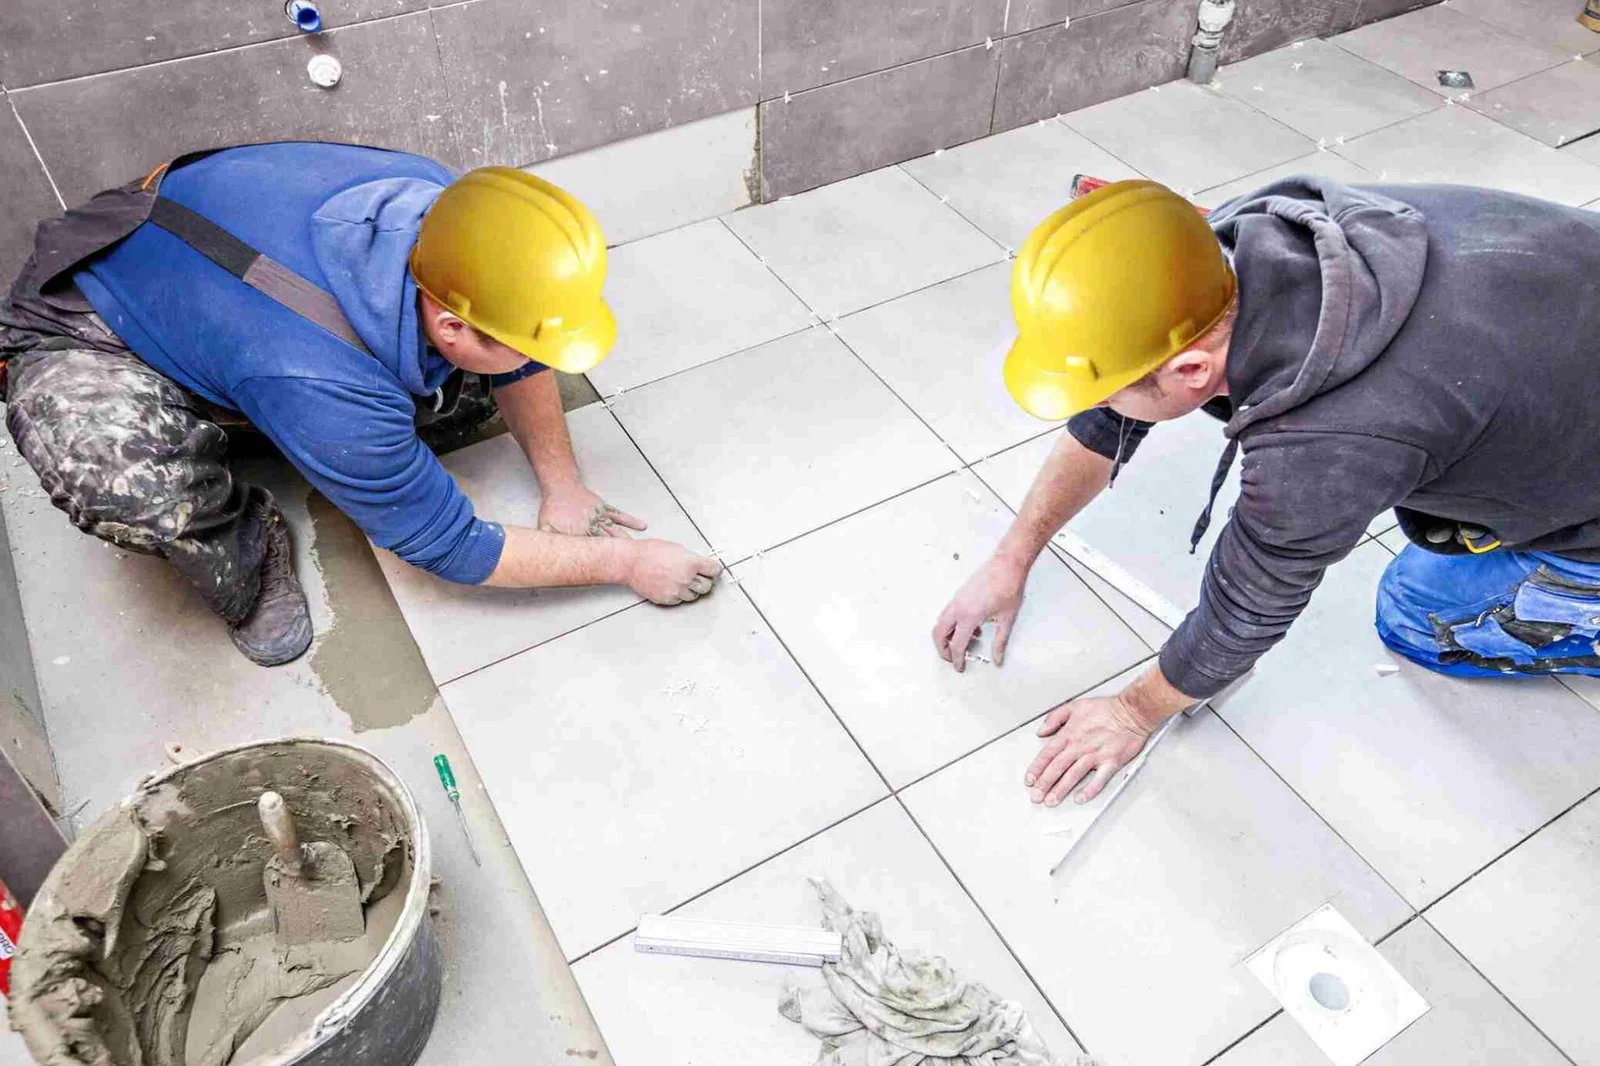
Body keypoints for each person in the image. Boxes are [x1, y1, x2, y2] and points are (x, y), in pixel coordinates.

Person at [932, 177, 1600, 808]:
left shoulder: (1328, 442)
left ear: (1193, 369)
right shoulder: (1242, 238)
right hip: (1560, 300)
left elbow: (1248, 610)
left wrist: (1132, 711)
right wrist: (1012, 557)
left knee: (1416, 611)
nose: (1104, 403)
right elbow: (1115, 414)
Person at [1, 143, 718, 667]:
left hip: (227, 292)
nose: (542, 363)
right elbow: (450, 546)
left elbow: (520, 347)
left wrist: (563, 485)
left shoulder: (456, 217)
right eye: (522, 346)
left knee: (441, 409)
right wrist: (626, 564)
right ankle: (245, 555)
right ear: (452, 324)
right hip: (97, 324)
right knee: (132, 486)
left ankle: (255, 406)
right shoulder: (320, 378)